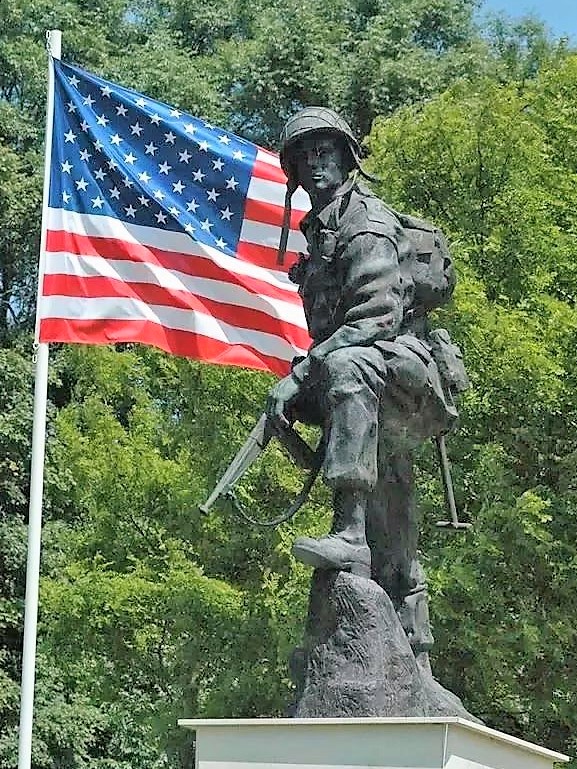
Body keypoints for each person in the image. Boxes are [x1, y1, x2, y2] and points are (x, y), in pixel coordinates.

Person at [265, 107, 461, 669]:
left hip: (405, 373)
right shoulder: (319, 232)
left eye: (325, 150)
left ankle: (348, 532)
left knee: (347, 367)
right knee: (392, 507)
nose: (315, 162)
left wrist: (303, 373)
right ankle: (414, 652)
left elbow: (376, 315)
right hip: (370, 375)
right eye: (304, 155)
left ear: (347, 157)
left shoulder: (365, 222)